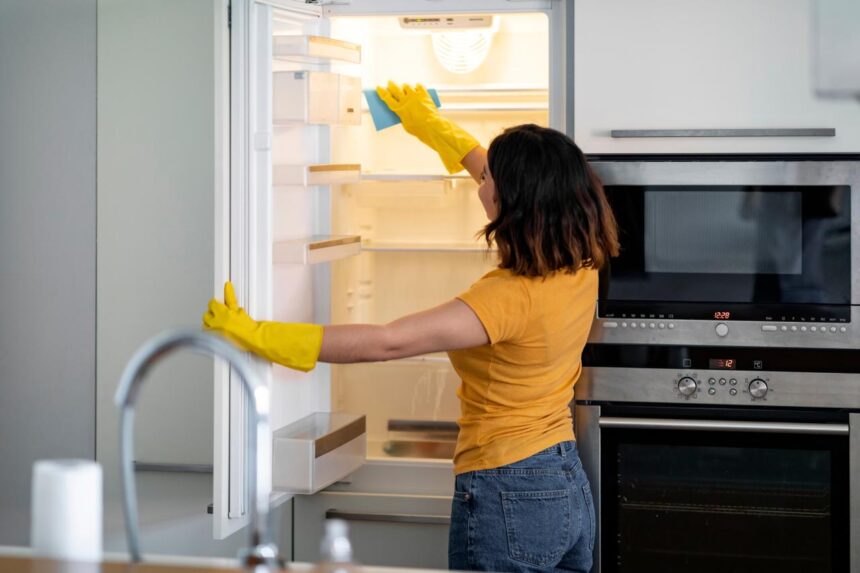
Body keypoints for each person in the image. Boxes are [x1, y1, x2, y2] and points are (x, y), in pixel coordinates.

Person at [203, 82, 619, 573]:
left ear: (516, 203)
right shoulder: (582, 262)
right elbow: (480, 161)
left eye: (490, 181)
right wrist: (427, 123)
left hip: (507, 487)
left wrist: (264, 335)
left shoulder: (507, 298)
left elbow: (387, 341)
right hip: (563, 483)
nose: (480, 182)